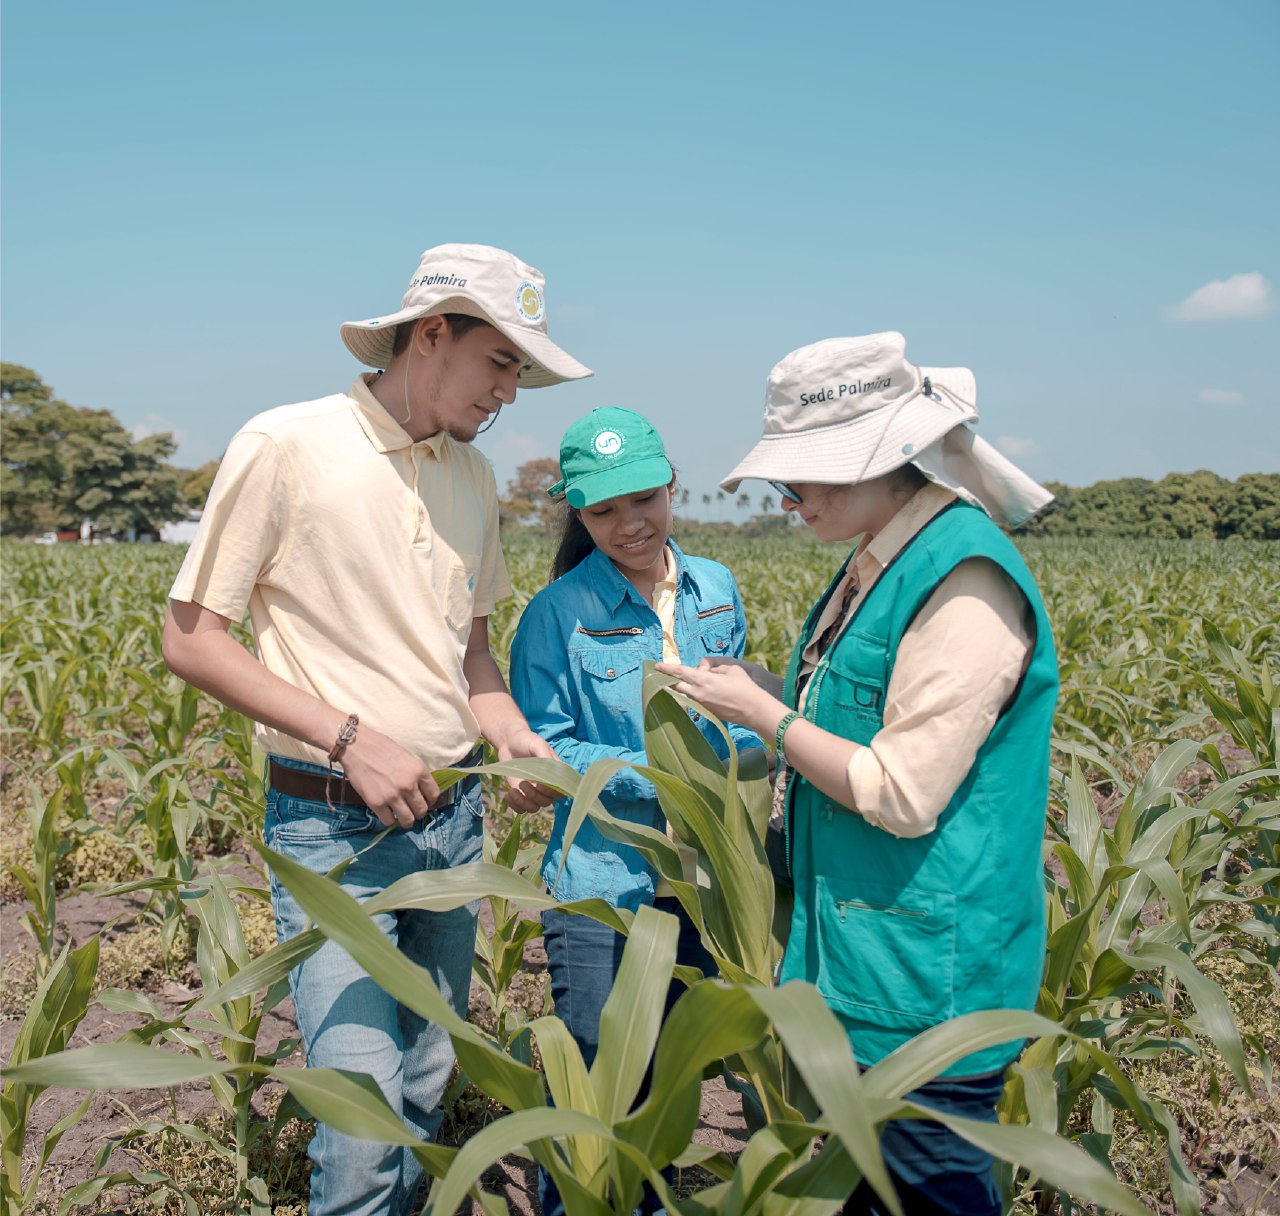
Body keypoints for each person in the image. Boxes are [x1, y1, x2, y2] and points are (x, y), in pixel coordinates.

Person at [161, 243, 591, 1216]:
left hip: (448, 826)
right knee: (360, 1135)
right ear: (430, 335)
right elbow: (191, 641)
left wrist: (511, 733)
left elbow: (470, 655)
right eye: (500, 363)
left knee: (428, 1086)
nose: (510, 391)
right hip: (331, 832)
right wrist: (350, 736)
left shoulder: (473, 477)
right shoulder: (286, 444)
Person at [657, 332, 1058, 1216]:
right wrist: (752, 688)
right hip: (861, 955)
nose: (786, 494)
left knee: (925, 1190)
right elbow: (850, 710)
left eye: (806, 472)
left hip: (926, 978)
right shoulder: (875, 560)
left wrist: (768, 716)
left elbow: (901, 791)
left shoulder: (964, 580)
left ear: (883, 461)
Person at [509, 407, 763, 1216]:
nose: (630, 523)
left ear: (672, 487)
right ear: (580, 516)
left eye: (644, 499)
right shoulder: (557, 614)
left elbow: (739, 702)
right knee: (596, 1090)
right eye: (604, 510)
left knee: (671, 1088)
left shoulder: (715, 588)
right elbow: (545, 748)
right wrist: (668, 779)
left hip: (708, 884)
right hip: (603, 887)